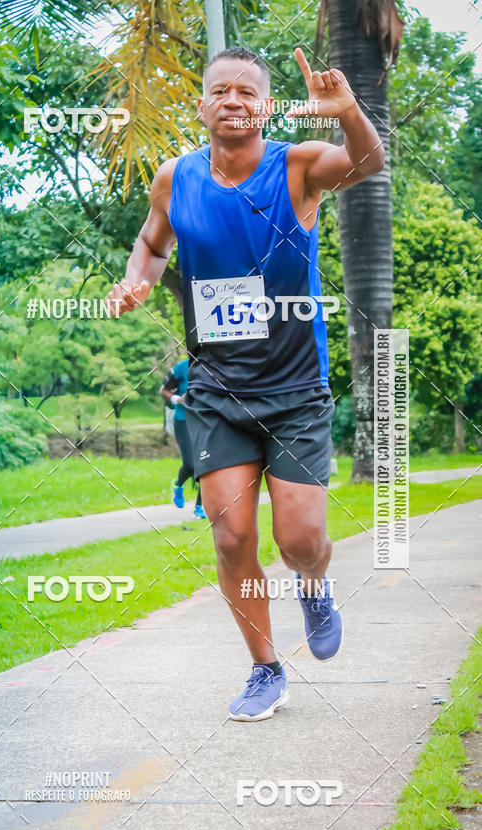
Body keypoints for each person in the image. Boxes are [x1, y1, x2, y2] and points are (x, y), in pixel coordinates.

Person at [106, 46, 384, 721]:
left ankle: (314, 585)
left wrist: (347, 111)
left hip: (294, 392)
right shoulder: (175, 179)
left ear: (264, 104)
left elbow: (370, 162)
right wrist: (137, 277)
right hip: (216, 391)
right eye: (219, 90)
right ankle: (265, 668)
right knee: (231, 539)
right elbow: (152, 241)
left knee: (298, 541)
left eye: (246, 91)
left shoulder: (298, 167)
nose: (231, 100)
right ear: (201, 106)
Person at [160, 356, 207, 519]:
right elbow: (164, 390)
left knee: (206, 464)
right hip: (183, 420)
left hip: (207, 422)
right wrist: (178, 399)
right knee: (190, 463)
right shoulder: (181, 367)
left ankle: (200, 507)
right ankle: (178, 485)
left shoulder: (215, 363)